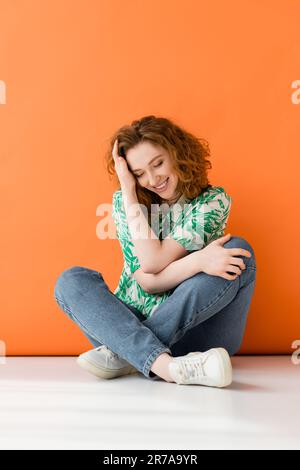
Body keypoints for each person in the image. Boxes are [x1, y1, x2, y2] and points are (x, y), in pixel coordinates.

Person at [54, 115, 256, 387]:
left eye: (158, 163)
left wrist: (200, 264)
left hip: (198, 333)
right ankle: (169, 366)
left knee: (239, 250)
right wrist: (128, 190)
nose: (152, 179)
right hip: (130, 323)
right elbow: (148, 274)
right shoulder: (127, 202)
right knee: (71, 281)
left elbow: (155, 266)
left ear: (177, 153)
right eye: (138, 173)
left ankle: (127, 355)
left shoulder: (212, 201)